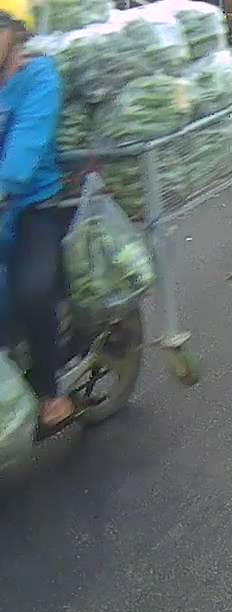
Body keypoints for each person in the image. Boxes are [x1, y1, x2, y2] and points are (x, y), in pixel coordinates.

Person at [0, 0, 72, 429]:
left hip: (35, 207)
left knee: (29, 291)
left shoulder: (40, 76)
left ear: (16, 32)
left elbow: (21, 158)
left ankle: (49, 391)